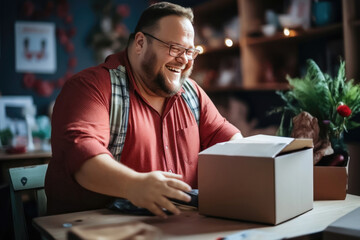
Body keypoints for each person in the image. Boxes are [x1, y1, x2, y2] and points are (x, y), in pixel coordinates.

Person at [45, 2, 242, 218]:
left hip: (179, 227)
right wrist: (134, 185)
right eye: (175, 48)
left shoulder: (192, 93)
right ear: (140, 42)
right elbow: (82, 154)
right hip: (100, 229)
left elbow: (228, 138)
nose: (184, 60)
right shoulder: (90, 87)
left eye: (190, 51)